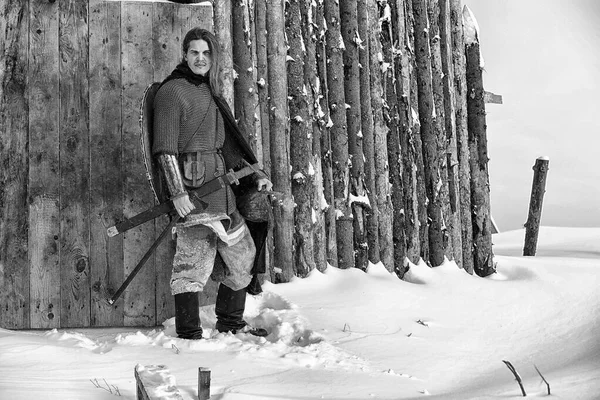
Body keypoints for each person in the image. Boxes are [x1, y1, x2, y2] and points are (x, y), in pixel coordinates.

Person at [152, 27, 272, 339]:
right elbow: (164, 149)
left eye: (206, 53)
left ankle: (231, 323)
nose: (200, 58)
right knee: (192, 263)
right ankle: (189, 333)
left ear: (213, 56)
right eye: (194, 52)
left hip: (222, 191)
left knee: (242, 256)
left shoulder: (211, 91)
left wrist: (254, 175)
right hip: (195, 193)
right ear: (185, 54)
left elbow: (230, 147)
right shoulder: (171, 92)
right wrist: (178, 192)